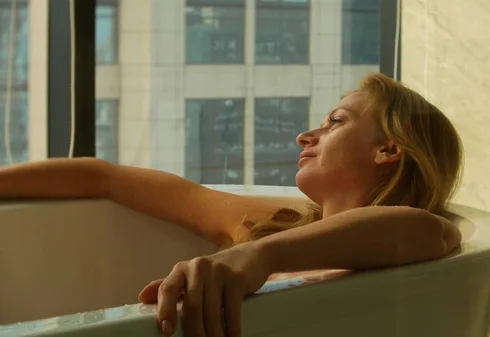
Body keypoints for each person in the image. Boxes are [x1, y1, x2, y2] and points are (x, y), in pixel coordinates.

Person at [0, 73, 463, 337]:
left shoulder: (417, 240)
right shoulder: (267, 224)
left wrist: (256, 256)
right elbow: (101, 178)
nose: (306, 135)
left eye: (335, 122)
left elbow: (427, 229)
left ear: (388, 150)